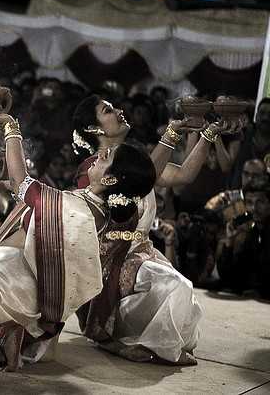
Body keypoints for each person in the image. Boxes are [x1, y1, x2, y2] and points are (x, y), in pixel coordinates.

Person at [0, 107, 160, 371]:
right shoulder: (92, 209)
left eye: (107, 157)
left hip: (11, 283)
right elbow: (37, 210)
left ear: (111, 178)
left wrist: (11, 128)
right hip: (23, 283)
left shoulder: (81, 211)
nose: (100, 154)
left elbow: (25, 185)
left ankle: (6, 335)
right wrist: (6, 187)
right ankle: (11, 334)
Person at [69, 94, 229, 364]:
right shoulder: (94, 169)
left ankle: (134, 337)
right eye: (108, 110)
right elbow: (142, 178)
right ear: (94, 129)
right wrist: (171, 133)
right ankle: (137, 343)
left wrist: (210, 133)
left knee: (186, 304)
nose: (119, 110)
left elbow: (184, 176)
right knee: (174, 287)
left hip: (142, 252)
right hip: (110, 260)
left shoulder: (134, 160)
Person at [217, 179, 270, 299]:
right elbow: (229, 277)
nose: (254, 208)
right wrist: (229, 241)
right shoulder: (253, 234)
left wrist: (259, 292)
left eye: (260, 202)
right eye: (250, 203)